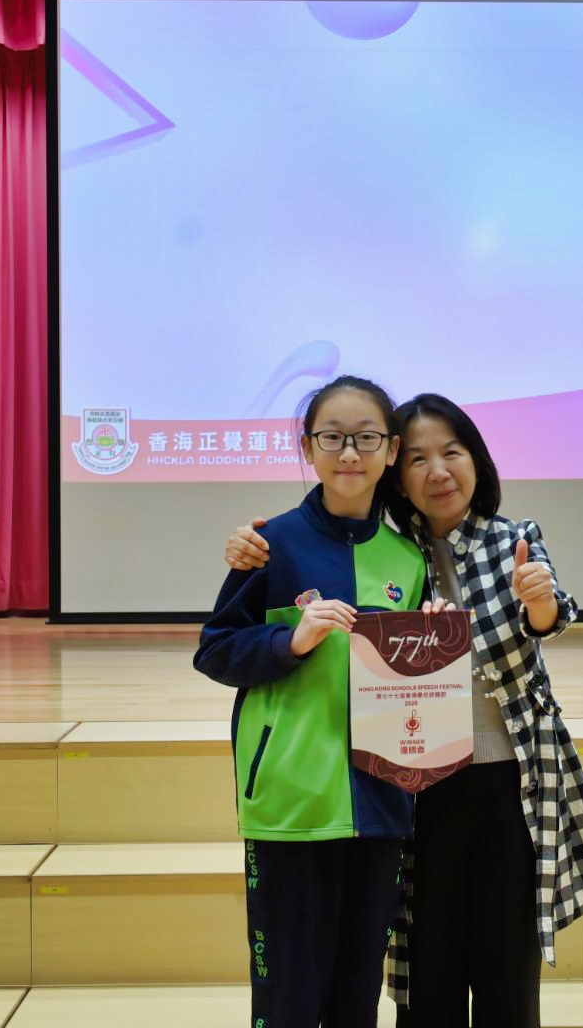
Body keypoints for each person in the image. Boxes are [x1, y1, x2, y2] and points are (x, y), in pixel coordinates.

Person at [226, 392, 583, 1028]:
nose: (438, 471)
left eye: (452, 452)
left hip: (508, 781)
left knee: (507, 973)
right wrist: (252, 551)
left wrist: (540, 601)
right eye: (418, 458)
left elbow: (548, 617)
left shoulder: (512, 541)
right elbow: (234, 639)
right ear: (395, 472)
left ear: (475, 460)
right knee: (426, 973)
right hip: (418, 783)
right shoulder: (388, 549)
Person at [195, 375, 428, 1028]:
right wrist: (290, 641)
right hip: (289, 802)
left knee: (356, 995)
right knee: (287, 998)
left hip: (379, 804)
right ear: (307, 447)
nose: (349, 452)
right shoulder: (271, 544)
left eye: (367, 438)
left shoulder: (407, 561)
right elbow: (216, 650)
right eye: (332, 437)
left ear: (391, 451)